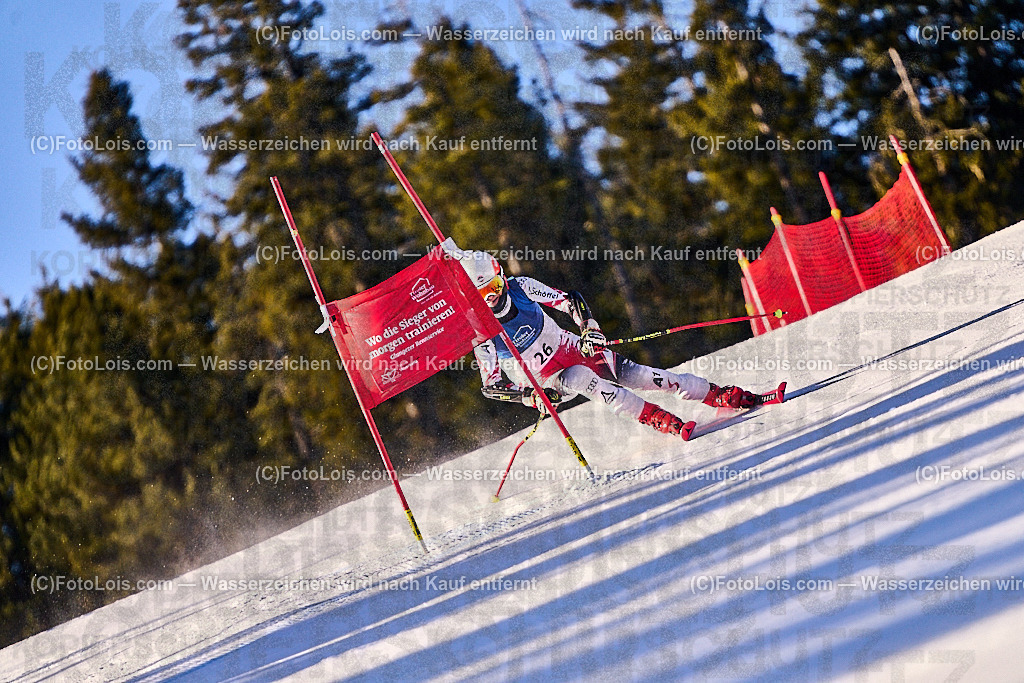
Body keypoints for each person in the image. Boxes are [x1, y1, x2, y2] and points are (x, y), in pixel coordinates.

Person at [453, 247, 759, 440]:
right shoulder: (481, 332)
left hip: (571, 346)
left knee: (640, 375)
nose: (491, 298)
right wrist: (530, 398)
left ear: (501, 278)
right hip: (550, 381)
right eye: (482, 295)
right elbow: (491, 386)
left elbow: (568, 300)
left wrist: (590, 329)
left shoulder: (520, 287)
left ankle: (717, 395)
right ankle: (658, 419)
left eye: (494, 287)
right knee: (585, 380)